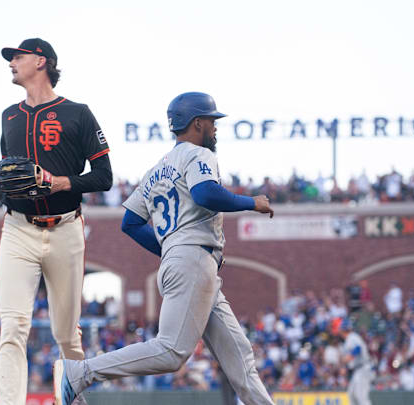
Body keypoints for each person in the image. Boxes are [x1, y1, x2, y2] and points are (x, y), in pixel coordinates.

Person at [51, 92, 275, 404]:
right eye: (211, 121)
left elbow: (129, 222)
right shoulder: (198, 154)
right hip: (193, 258)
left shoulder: (155, 170)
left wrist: (171, 248)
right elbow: (206, 194)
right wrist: (253, 202)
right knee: (171, 351)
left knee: (239, 356)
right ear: (197, 123)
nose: (215, 127)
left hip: (186, 259)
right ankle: (82, 372)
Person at [0, 38, 112, 405]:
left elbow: (104, 176)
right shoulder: (9, 115)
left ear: (41, 61)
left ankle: (75, 400)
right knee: (13, 327)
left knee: (67, 336)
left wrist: (61, 181)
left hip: (65, 227)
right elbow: (10, 174)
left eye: (17, 56)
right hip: (18, 228)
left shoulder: (77, 113)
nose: (11, 62)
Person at [340, 320, 373, 405]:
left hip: (363, 368)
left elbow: (358, 349)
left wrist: (348, 358)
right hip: (357, 370)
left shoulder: (352, 336)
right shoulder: (349, 339)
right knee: (351, 395)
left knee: (361, 396)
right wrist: (346, 367)